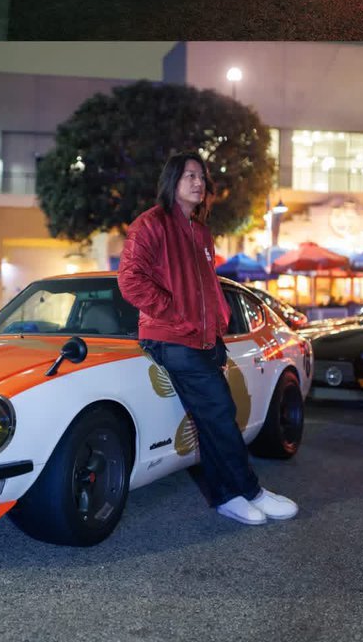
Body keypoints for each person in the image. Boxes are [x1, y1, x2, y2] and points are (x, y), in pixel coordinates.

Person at [118, 151, 299, 527]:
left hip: (202, 339)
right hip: (171, 338)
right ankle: (248, 491)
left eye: (201, 176)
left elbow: (207, 288)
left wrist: (216, 326)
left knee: (216, 416)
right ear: (172, 181)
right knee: (218, 414)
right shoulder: (150, 225)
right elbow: (130, 280)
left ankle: (227, 495)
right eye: (189, 176)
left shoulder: (199, 231)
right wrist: (174, 312)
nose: (198, 183)